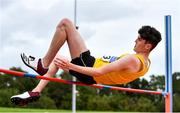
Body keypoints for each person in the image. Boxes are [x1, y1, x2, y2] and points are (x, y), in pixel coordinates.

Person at [11, 18, 161, 106]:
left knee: (65, 24)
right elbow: (113, 74)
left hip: (89, 68)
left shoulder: (133, 60)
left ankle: (42, 65)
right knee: (62, 49)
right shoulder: (146, 63)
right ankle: (35, 91)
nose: (135, 40)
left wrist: (69, 65)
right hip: (90, 64)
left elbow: (99, 72)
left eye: (140, 39)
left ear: (148, 46)